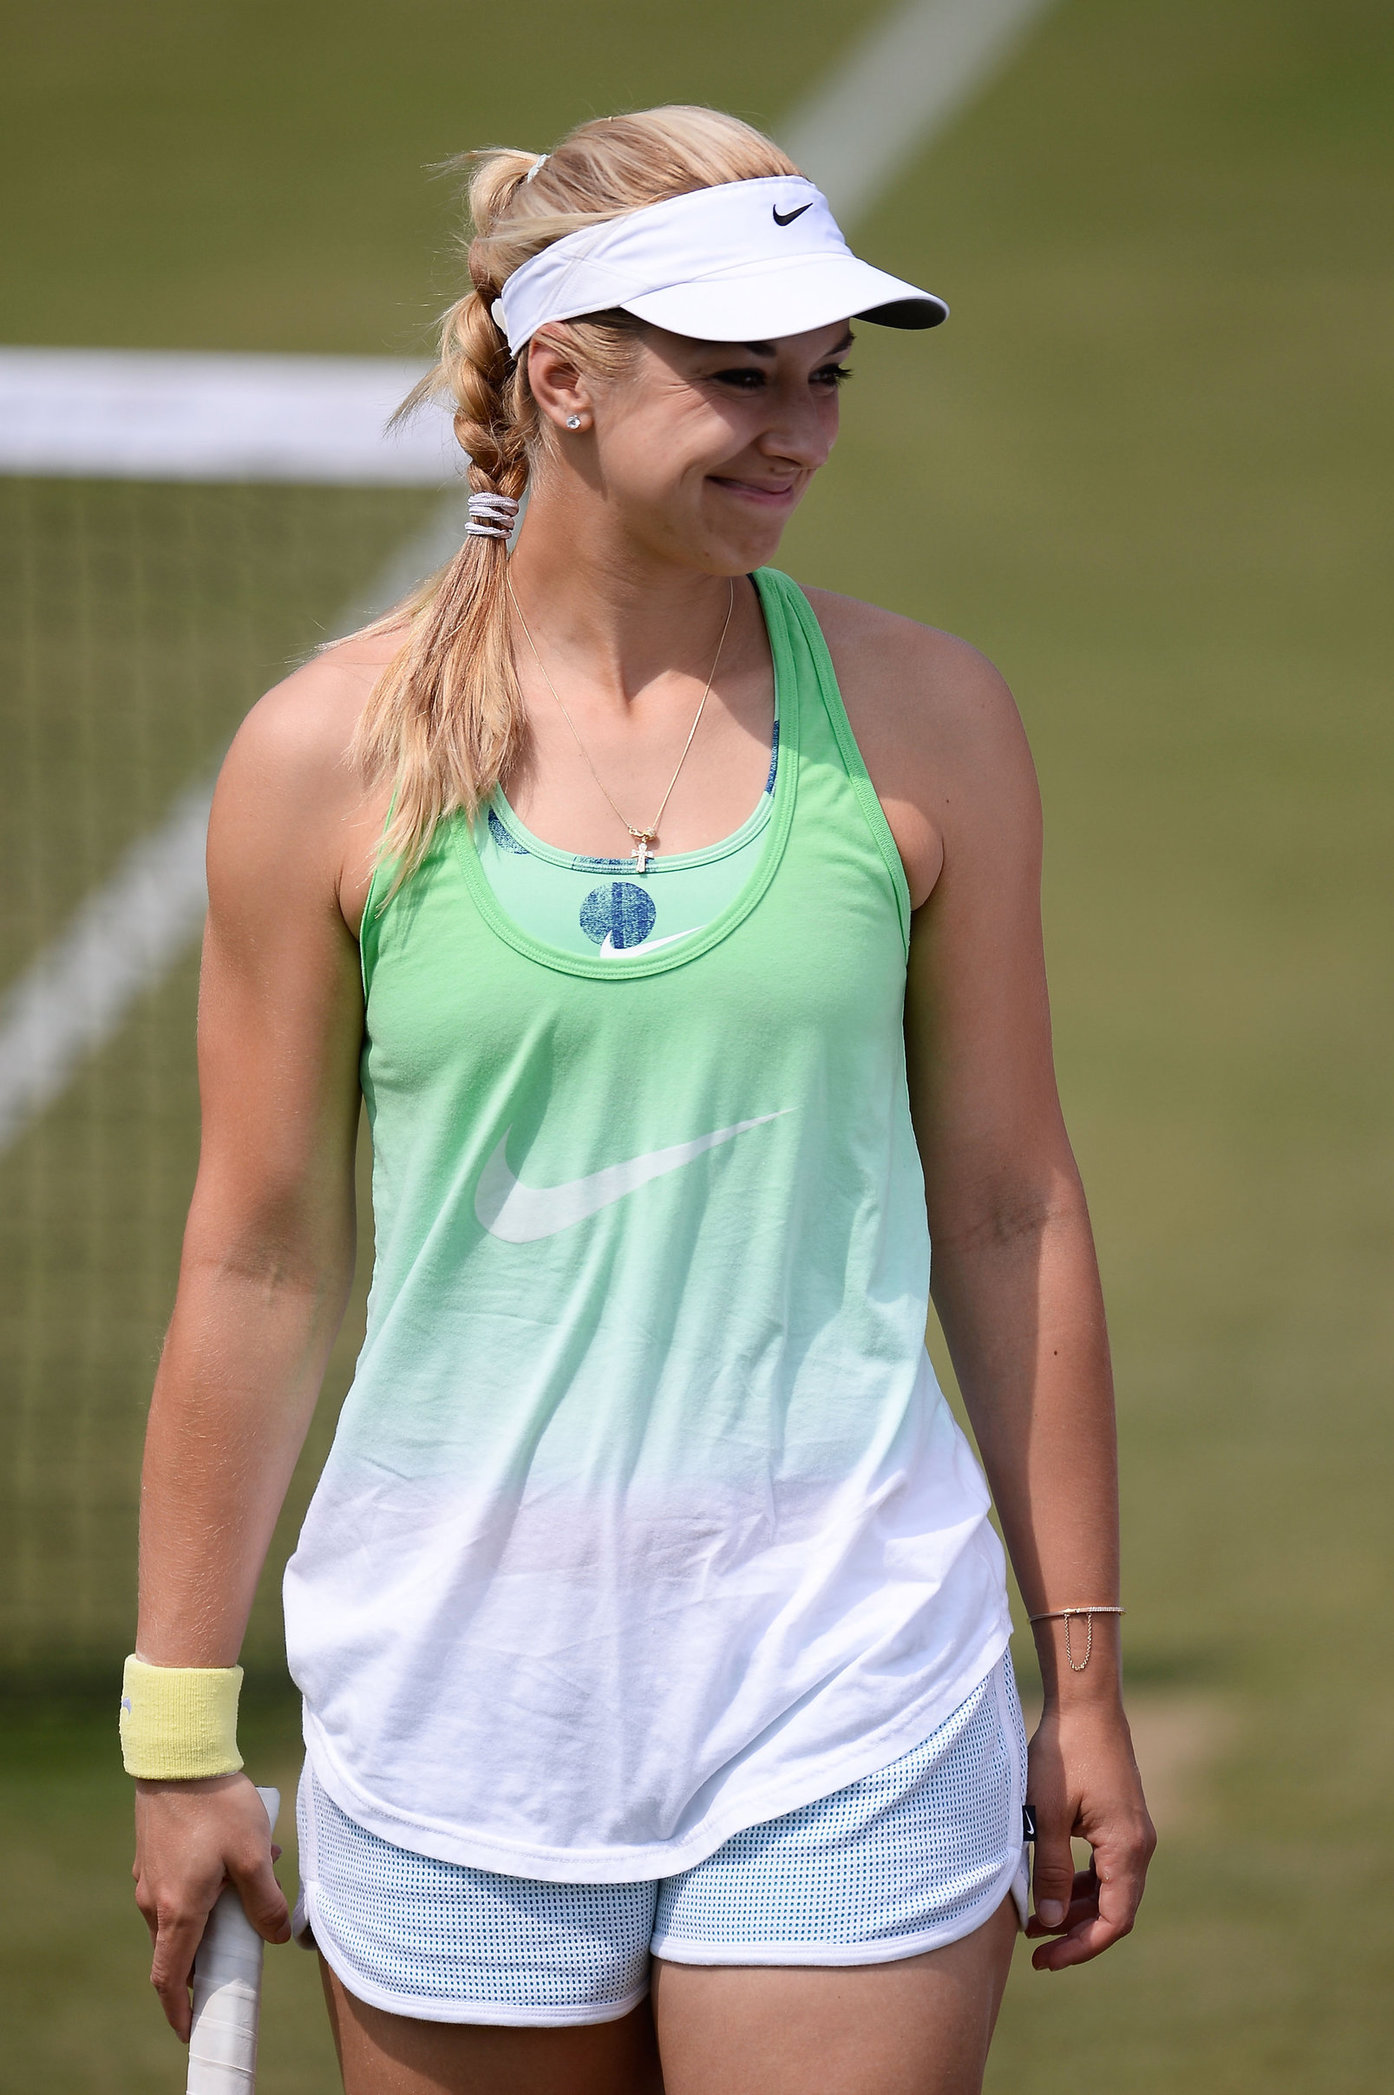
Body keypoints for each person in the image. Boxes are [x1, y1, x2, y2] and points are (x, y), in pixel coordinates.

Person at [124, 105, 1155, 2095]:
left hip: (849, 1680)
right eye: (741, 376)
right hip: (455, 1710)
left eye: (823, 376)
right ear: (564, 380)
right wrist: (178, 1737)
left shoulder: (933, 715)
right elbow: (255, 1260)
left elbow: (1009, 1206)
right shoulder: (320, 757)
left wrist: (1083, 1677)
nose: (799, 430)